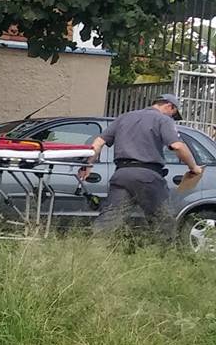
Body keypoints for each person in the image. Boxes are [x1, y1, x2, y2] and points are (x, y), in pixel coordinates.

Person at [82, 93, 204, 239]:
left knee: (109, 219)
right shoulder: (163, 120)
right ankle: (164, 257)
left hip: (121, 175)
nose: (172, 118)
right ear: (169, 106)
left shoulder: (124, 117)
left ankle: (95, 250)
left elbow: (98, 143)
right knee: (163, 221)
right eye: (173, 114)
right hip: (148, 176)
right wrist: (193, 167)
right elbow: (177, 146)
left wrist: (87, 164)